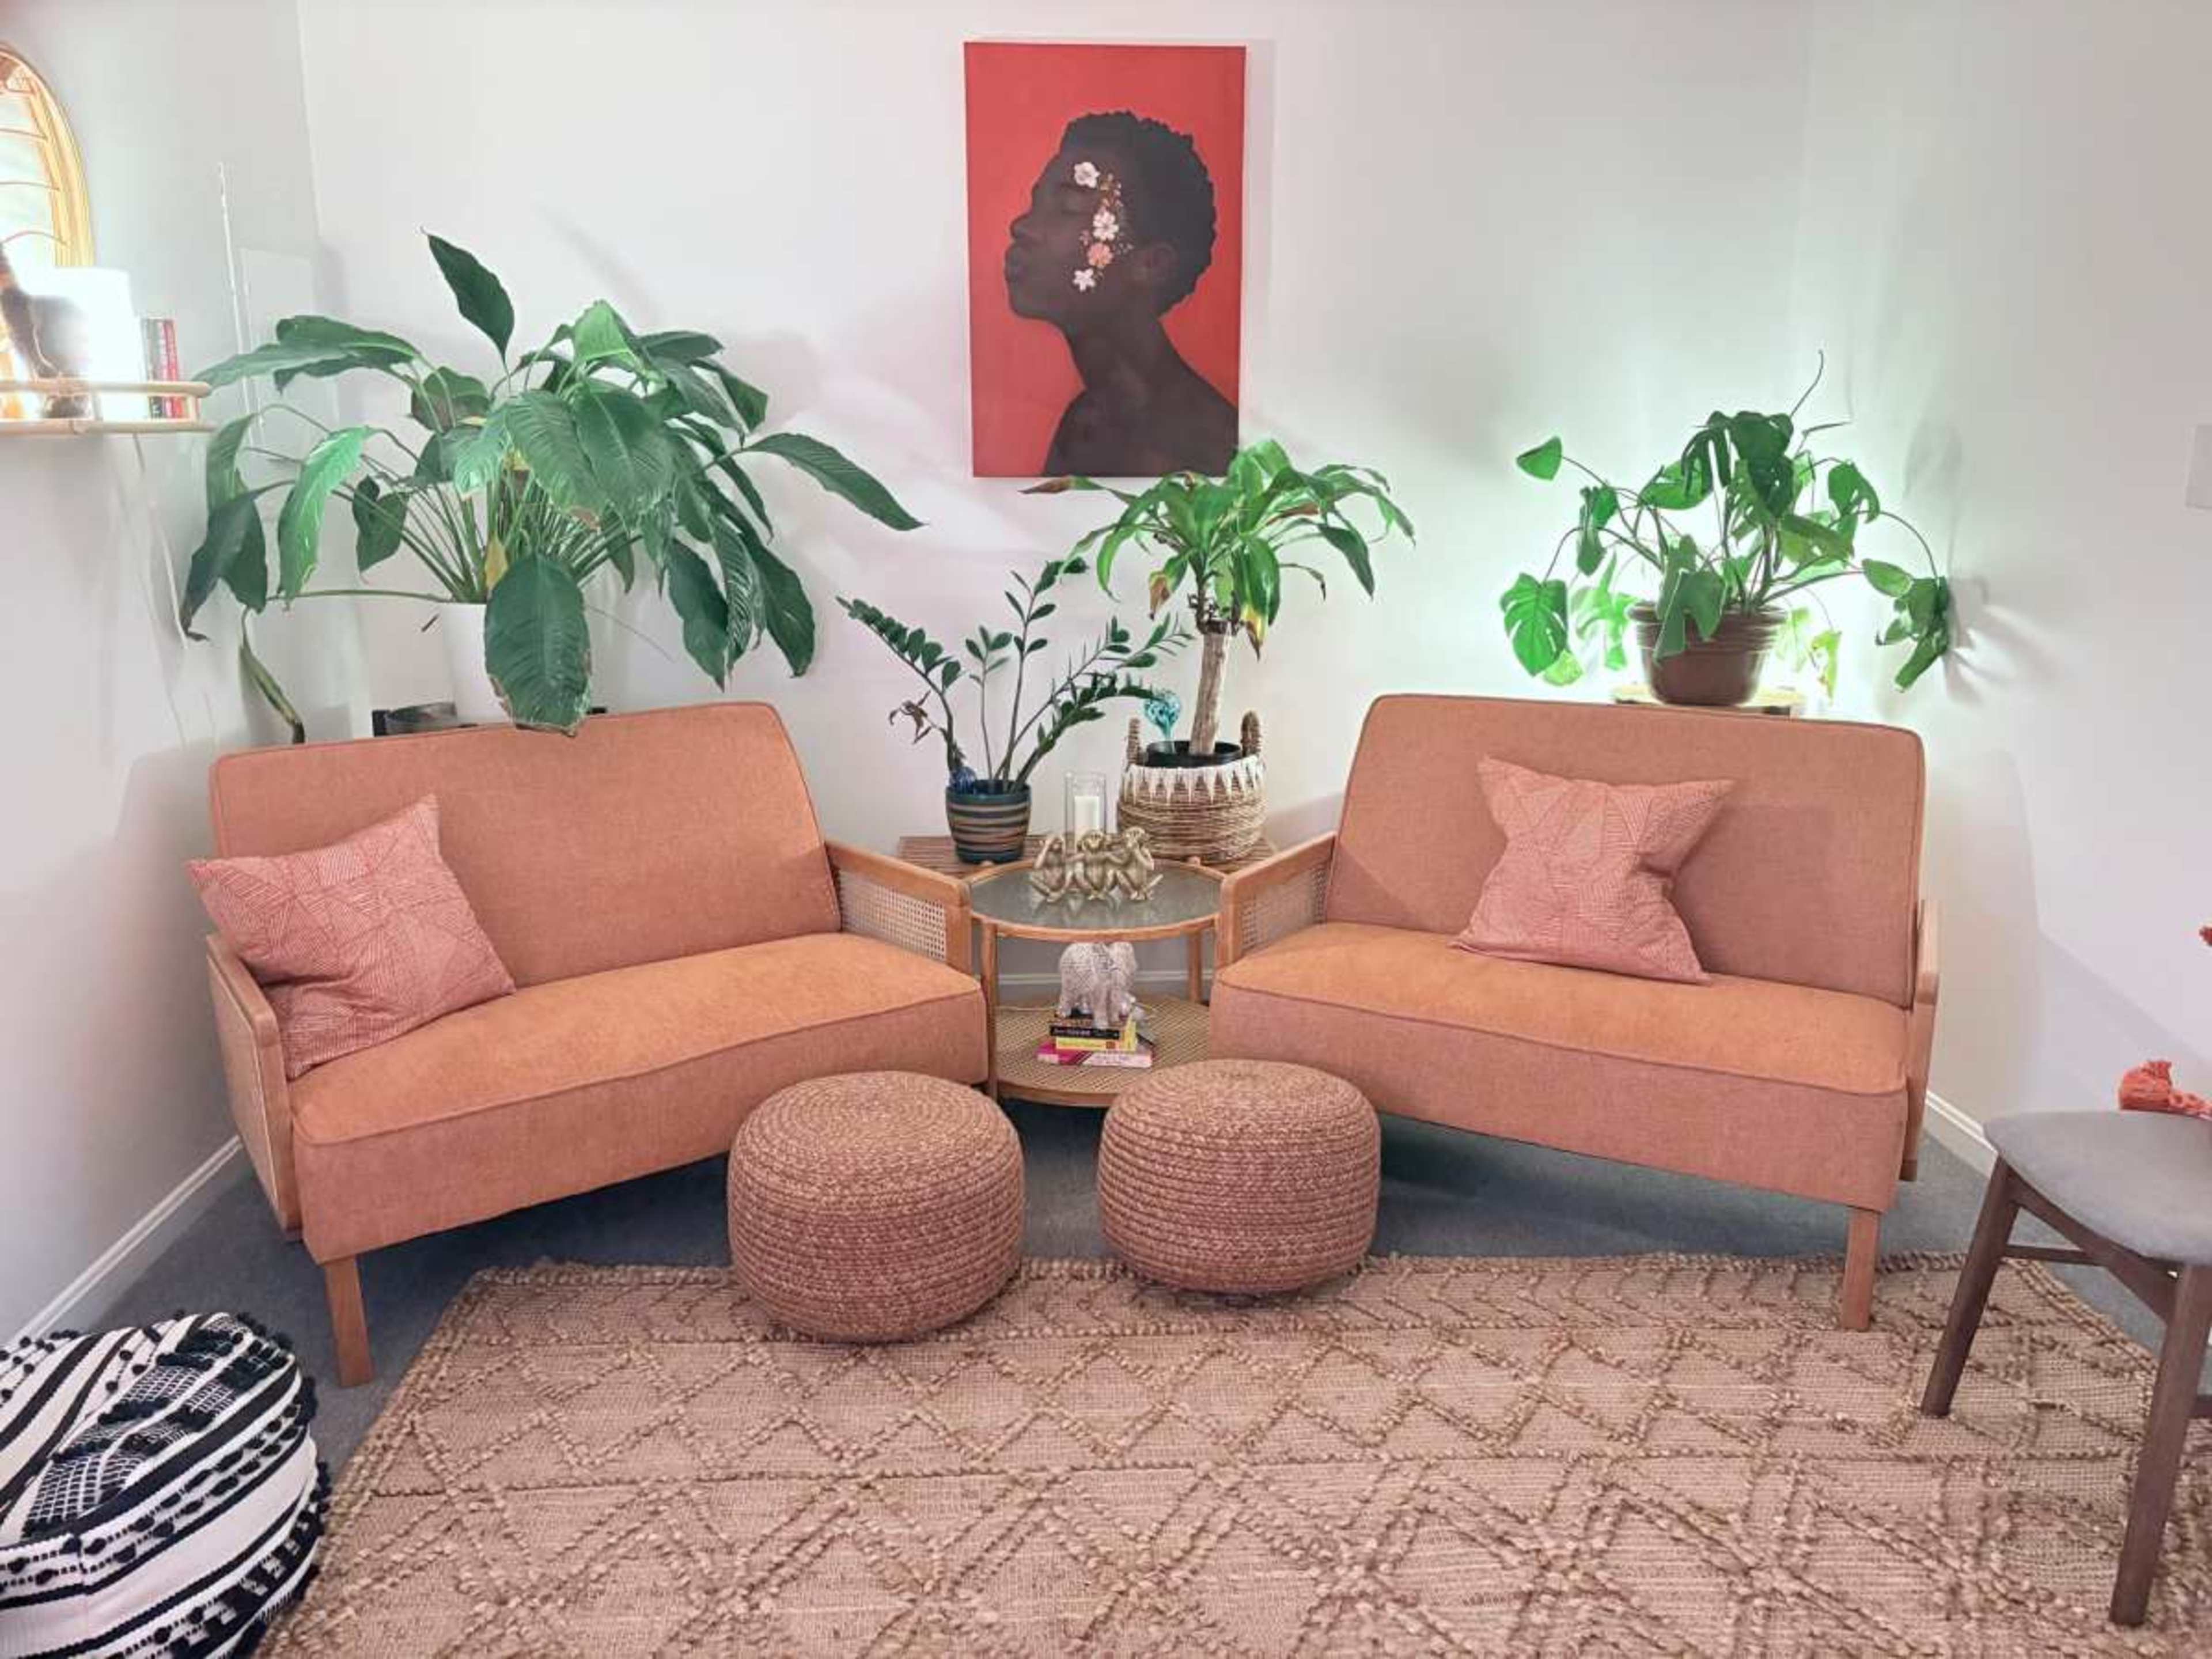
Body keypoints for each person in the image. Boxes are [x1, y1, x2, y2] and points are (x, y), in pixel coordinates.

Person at [1003, 110, 1235, 477]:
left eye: (1068, 208)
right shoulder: (1088, 420)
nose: (1022, 228)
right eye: (1036, 205)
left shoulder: (1197, 446)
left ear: (1152, 264)